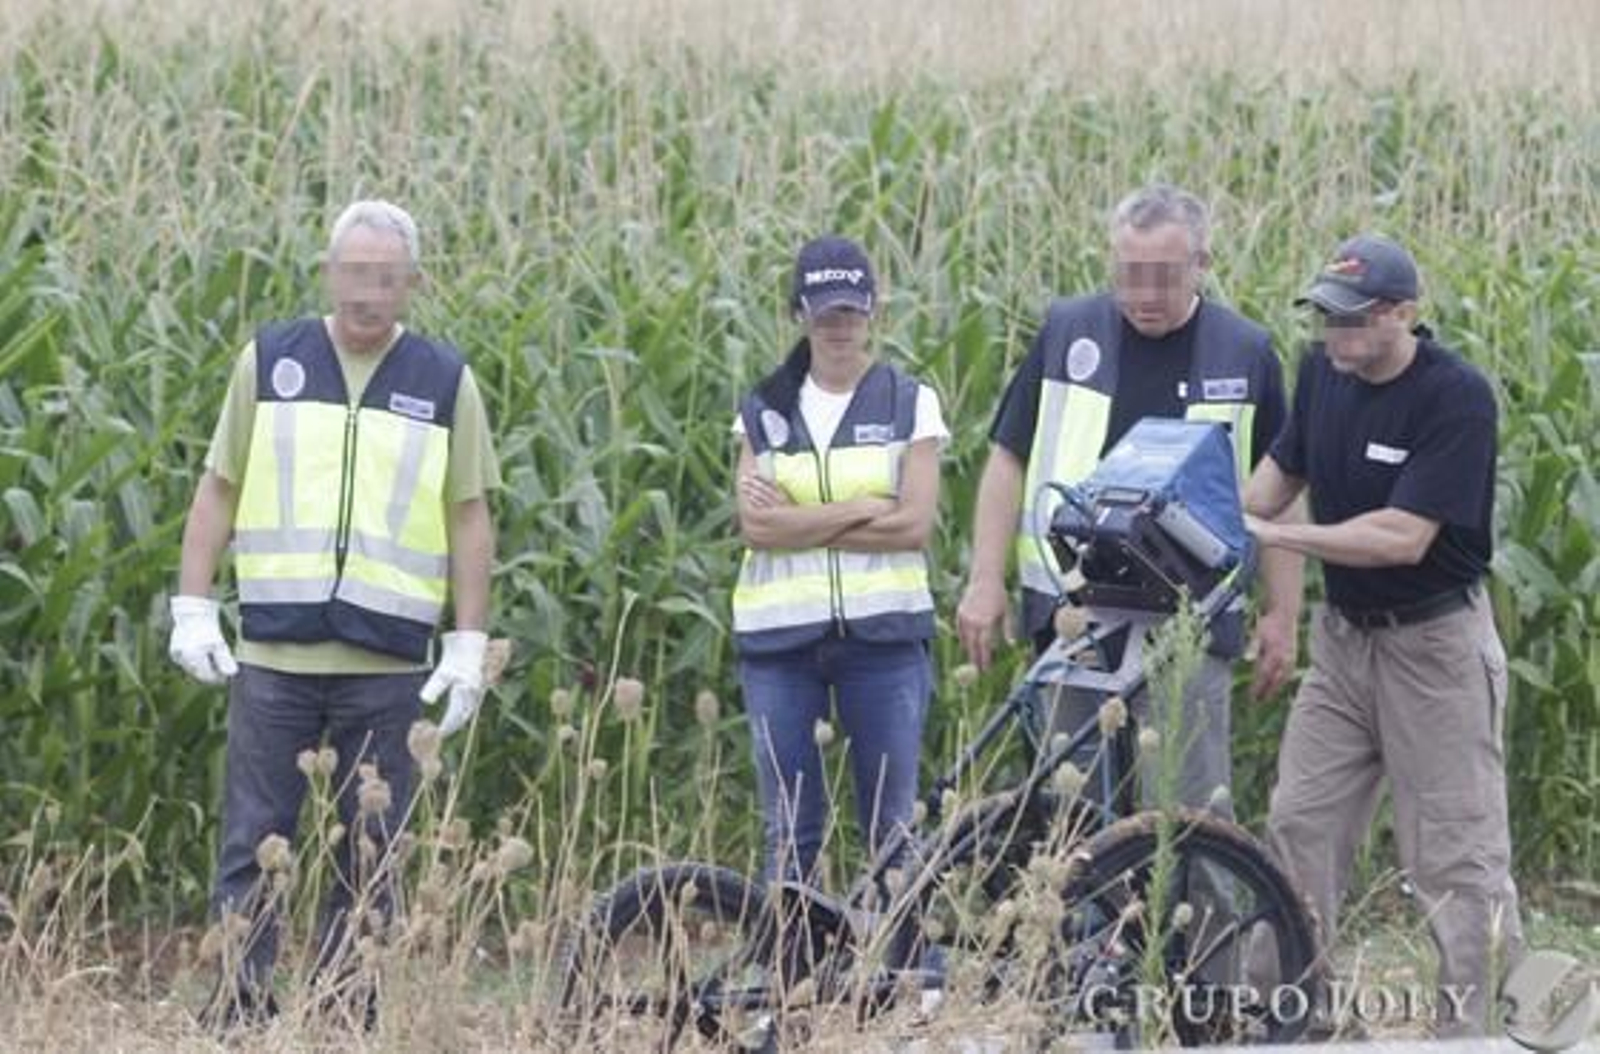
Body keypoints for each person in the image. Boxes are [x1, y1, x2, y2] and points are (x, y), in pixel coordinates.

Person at [168, 199, 501, 1029]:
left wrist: (466, 643)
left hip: (388, 669)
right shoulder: (269, 360)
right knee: (253, 840)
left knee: (374, 852)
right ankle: (243, 1003)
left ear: (412, 284)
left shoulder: (443, 380)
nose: (366, 292)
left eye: (385, 277)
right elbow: (219, 487)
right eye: (354, 273)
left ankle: (347, 1010)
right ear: (329, 271)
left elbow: (469, 515)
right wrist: (193, 606)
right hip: (275, 658)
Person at [1243, 233, 1524, 1038]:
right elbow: (1274, 481)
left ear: (1402, 313)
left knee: (1455, 854)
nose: (1332, 332)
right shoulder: (1323, 375)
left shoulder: (1455, 397)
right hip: (1344, 644)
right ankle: (1290, 1016)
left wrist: (1276, 538)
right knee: (1300, 823)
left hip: (1434, 648)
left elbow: (1404, 536)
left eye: (1349, 318)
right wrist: (1214, 512)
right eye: (1323, 315)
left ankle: (1480, 1029)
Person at [955, 182, 1298, 818]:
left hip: (1191, 620)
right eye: (1128, 274)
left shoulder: (1245, 352)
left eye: (1163, 278)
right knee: (1070, 810)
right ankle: (1084, 923)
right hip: (1071, 611)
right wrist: (984, 580)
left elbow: (1284, 489)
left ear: (1204, 265)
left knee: (1189, 815)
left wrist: (1283, 612)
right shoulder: (1066, 332)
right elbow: (1008, 458)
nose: (1143, 295)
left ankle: (1204, 923)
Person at [730, 235, 946, 912]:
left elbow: (914, 524)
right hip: (778, 645)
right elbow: (757, 528)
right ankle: (794, 968)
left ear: (874, 311)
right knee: (791, 829)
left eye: (852, 311)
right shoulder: (762, 405)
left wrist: (804, 517)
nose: (839, 326)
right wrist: (858, 508)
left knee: (892, 825)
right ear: (799, 313)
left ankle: (903, 971)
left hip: (883, 642)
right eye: (825, 312)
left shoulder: (910, 401)